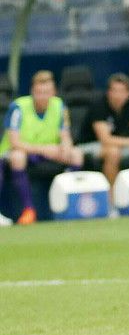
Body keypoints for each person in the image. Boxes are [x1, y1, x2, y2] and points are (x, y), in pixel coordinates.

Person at [0, 70, 83, 226]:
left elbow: (65, 135)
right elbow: (15, 142)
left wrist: (65, 147)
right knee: (18, 157)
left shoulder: (60, 105)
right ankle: (28, 210)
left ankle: (67, 203)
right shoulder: (18, 107)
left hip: (49, 151)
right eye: (39, 93)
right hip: (23, 151)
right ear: (32, 92)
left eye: (46, 93)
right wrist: (44, 150)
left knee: (76, 154)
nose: (42, 97)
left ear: (53, 92)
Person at [77, 72, 129, 187]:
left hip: (120, 145)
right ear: (108, 92)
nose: (117, 95)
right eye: (114, 91)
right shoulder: (99, 106)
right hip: (90, 145)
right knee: (113, 152)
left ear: (128, 94)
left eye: (122, 91)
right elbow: (105, 140)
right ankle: (111, 194)